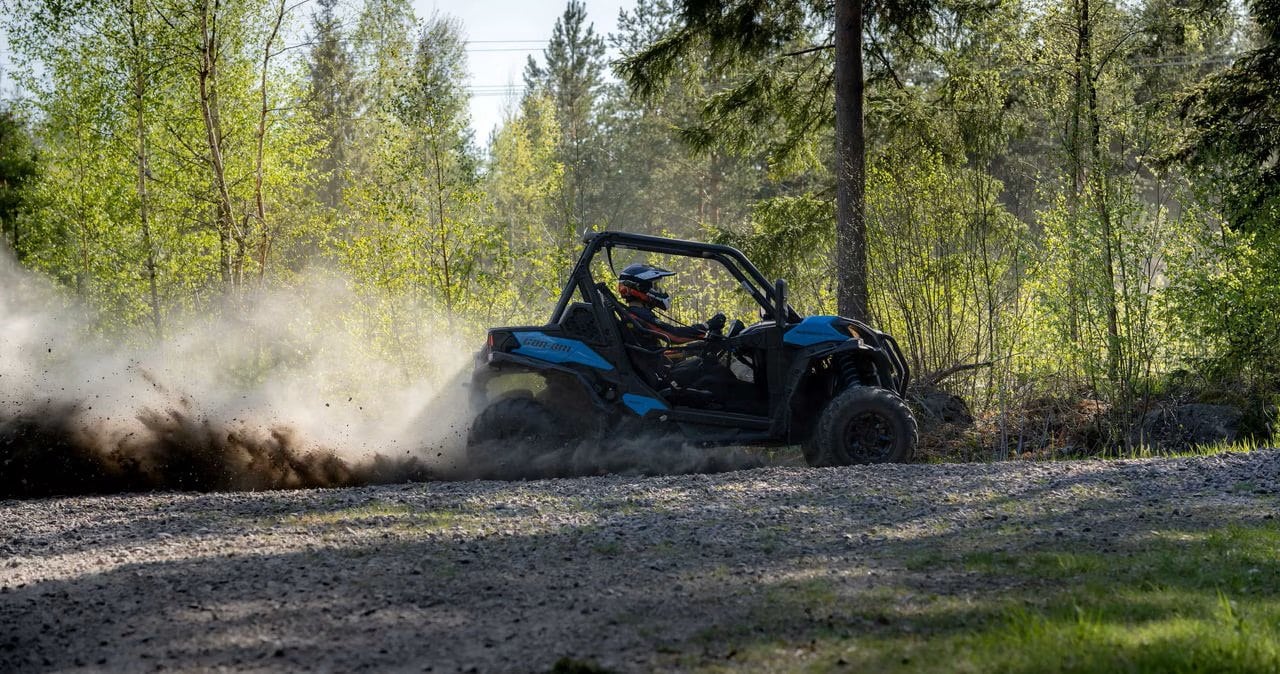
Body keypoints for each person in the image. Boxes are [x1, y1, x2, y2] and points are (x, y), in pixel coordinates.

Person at [617, 263, 736, 404]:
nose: (659, 290)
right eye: (654, 286)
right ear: (640, 288)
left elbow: (654, 352)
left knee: (705, 364)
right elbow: (674, 336)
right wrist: (707, 326)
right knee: (716, 373)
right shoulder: (639, 316)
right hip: (662, 379)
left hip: (660, 372)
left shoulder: (635, 315)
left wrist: (696, 347)